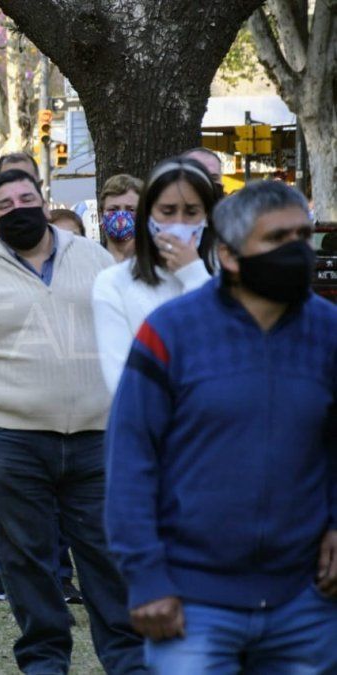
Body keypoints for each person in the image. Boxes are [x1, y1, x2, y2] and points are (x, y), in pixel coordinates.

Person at [105, 181, 337, 672]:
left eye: (303, 236)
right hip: (192, 601)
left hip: (306, 602)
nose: (297, 251)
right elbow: (131, 459)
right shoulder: (170, 333)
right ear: (229, 256)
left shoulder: (329, 333)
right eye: (277, 240)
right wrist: (146, 579)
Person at [0, 169, 143, 673]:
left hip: (97, 438)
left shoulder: (93, 260)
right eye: (5, 204)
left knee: (106, 557)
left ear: (45, 202)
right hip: (10, 440)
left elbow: (131, 336)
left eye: (27, 198)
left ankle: (129, 660)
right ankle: (46, 659)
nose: (19, 208)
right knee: (26, 560)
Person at [92, 158, 217, 393]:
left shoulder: (225, 278)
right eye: (167, 212)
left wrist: (194, 274)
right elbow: (123, 384)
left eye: (191, 212)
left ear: (207, 216)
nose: (178, 223)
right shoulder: (113, 284)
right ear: (148, 215)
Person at [98, 174, 143, 262]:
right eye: (113, 209)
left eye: (131, 209)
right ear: (101, 217)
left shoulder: (157, 264)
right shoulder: (89, 262)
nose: (121, 216)